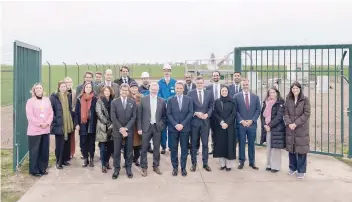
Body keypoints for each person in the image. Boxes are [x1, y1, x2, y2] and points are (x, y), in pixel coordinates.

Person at [138, 82, 166, 177]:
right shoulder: (143, 99)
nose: (154, 90)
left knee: (157, 148)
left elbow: (164, 116)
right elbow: (139, 115)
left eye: (156, 89)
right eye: (152, 89)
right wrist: (139, 128)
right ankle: (144, 167)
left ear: (158, 90)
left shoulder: (162, 101)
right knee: (144, 148)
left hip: (157, 127)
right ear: (150, 89)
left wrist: (161, 125)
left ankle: (156, 166)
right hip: (146, 127)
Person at [284, 81, 310, 179]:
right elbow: (285, 113)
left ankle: (301, 170)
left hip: (301, 129)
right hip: (290, 128)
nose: (295, 90)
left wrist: (296, 123)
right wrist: (289, 123)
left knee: (301, 150)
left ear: (300, 89)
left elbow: (306, 113)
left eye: (297, 88)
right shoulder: (288, 99)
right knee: (292, 149)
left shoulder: (305, 100)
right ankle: (292, 168)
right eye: (293, 88)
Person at [25, 83, 53, 176]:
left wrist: (47, 123)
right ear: (34, 90)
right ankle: (34, 170)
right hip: (35, 130)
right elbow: (30, 116)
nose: (39, 89)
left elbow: (51, 113)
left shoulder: (47, 100)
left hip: (45, 130)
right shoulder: (30, 101)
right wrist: (40, 124)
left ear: (43, 90)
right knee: (35, 151)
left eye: (40, 88)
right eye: (37, 88)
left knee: (44, 150)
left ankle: (43, 168)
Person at [167, 81, 193, 176]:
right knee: (173, 149)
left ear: (183, 89)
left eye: (180, 88)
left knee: (184, 149)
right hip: (173, 129)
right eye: (177, 88)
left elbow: (190, 112)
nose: (178, 90)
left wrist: (182, 124)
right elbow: (168, 114)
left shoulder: (189, 99)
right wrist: (175, 125)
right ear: (175, 89)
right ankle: (175, 167)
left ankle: (183, 168)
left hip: (185, 129)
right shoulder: (170, 100)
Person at [187, 76, 213, 172]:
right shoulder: (190, 93)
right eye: (198, 83)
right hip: (194, 122)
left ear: (203, 83)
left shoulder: (209, 93)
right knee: (194, 144)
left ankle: (205, 163)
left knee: (205, 144)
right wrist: (195, 113)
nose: (199, 85)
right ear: (195, 84)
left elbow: (211, 106)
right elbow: (188, 107)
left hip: (205, 122)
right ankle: (194, 163)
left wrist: (207, 114)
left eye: (201, 83)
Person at [111, 83, 137, 179]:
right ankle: (116, 169)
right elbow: (113, 117)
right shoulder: (114, 102)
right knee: (117, 151)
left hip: (129, 130)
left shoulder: (132, 102)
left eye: (126, 90)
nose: (124, 92)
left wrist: (126, 128)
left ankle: (128, 168)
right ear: (120, 91)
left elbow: (134, 117)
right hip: (118, 130)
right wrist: (121, 129)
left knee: (129, 151)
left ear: (128, 91)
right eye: (123, 90)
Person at [234, 79, 261, 170]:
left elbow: (258, 110)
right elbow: (235, 110)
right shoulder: (236, 96)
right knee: (241, 143)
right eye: (244, 85)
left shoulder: (255, 97)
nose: (245, 86)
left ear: (249, 85)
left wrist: (252, 120)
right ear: (241, 86)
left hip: (251, 125)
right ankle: (241, 161)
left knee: (251, 144)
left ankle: (252, 162)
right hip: (241, 125)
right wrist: (241, 121)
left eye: (246, 84)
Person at [260, 87, 285, 173]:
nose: (272, 94)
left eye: (273, 92)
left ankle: (276, 166)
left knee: (275, 149)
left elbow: (279, 117)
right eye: (270, 93)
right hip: (267, 129)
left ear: (277, 93)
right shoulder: (265, 103)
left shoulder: (280, 103)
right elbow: (262, 116)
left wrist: (270, 125)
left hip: (276, 128)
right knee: (268, 147)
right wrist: (264, 125)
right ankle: (269, 165)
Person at [50, 81, 74, 169]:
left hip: (68, 122)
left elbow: (70, 108)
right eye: (62, 86)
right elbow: (51, 110)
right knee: (60, 143)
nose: (64, 88)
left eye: (65, 86)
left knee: (67, 142)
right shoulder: (54, 97)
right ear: (59, 87)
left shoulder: (68, 96)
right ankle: (58, 161)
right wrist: (55, 119)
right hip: (59, 123)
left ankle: (65, 160)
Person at [212, 86, 237, 171]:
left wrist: (227, 123)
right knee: (221, 146)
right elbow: (215, 113)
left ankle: (229, 165)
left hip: (229, 127)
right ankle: (222, 164)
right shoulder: (217, 101)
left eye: (225, 90)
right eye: (222, 91)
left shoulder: (232, 101)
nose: (224, 92)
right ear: (220, 92)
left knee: (229, 145)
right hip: (220, 127)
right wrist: (221, 122)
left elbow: (233, 114)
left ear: (228, 91)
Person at [75, 82, 98, 167]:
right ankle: (85, 158)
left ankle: (91, 158)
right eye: (87, 87)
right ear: (84, 88)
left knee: (91, 142)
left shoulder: (95, 99)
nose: (88, 88)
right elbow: (76, 112)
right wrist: (76, 124)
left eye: (90, 87)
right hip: (82, 123)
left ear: (92, 89)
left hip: (92, 123)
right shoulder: (79, 99)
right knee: (83, 143)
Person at [158, 63, 177, 154]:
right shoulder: (159, 83)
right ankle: (163, 146)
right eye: (165, 70)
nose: (166, 72)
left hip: (172, 110)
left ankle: (170, 146)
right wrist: (164, 102)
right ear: (163, 71)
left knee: (171, 129)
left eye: (168, 70)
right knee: (163, 129)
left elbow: (176, 94)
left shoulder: (174, 82)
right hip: (162, 110)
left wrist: (169, 102)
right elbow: (158, 94)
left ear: (170, 71)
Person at [96, 86, 114, 173]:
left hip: (112, 128)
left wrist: (112, 124)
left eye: (108, 91)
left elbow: (115, 113)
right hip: (102, 127)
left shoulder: (113, 101)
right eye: (105, 91)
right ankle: (103, 165)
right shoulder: (99, 101)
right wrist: (107, 123)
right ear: (103, 92)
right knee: (103, 147)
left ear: (111, 92)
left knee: (110, 147)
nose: (107, 92)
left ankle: (107, 162)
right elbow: (99, 113)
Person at [206, 71, 225, 154]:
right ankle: (214, 148)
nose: (215, 77)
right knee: (213, 131)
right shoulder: (208, 88)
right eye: (214, 76)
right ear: (212, 77)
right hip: (212, 113)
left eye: (217, 75)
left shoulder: (224, 87)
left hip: (221, 113)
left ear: (219, 77)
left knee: (222, 131)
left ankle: (221, 148)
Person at [129, 81, 143, 166]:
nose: (134, 89)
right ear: (130, 88)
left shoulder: (141, 97)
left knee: (138, 144)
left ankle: (136, 158)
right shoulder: (127, 96)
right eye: (132, 87)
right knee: (129, 144)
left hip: (138, 124)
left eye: (135, 87)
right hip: (129, 124)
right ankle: (129, 159)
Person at [64, 77, 77, 159]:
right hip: (65, 117)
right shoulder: (62, 92)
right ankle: (65, 152)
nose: (68, 84)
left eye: (70, 82)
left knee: (72, 135)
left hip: (72, 116)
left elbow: (76, 104)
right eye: (66, 82)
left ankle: (72, 152)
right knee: (65, 135)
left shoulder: (74, 93)